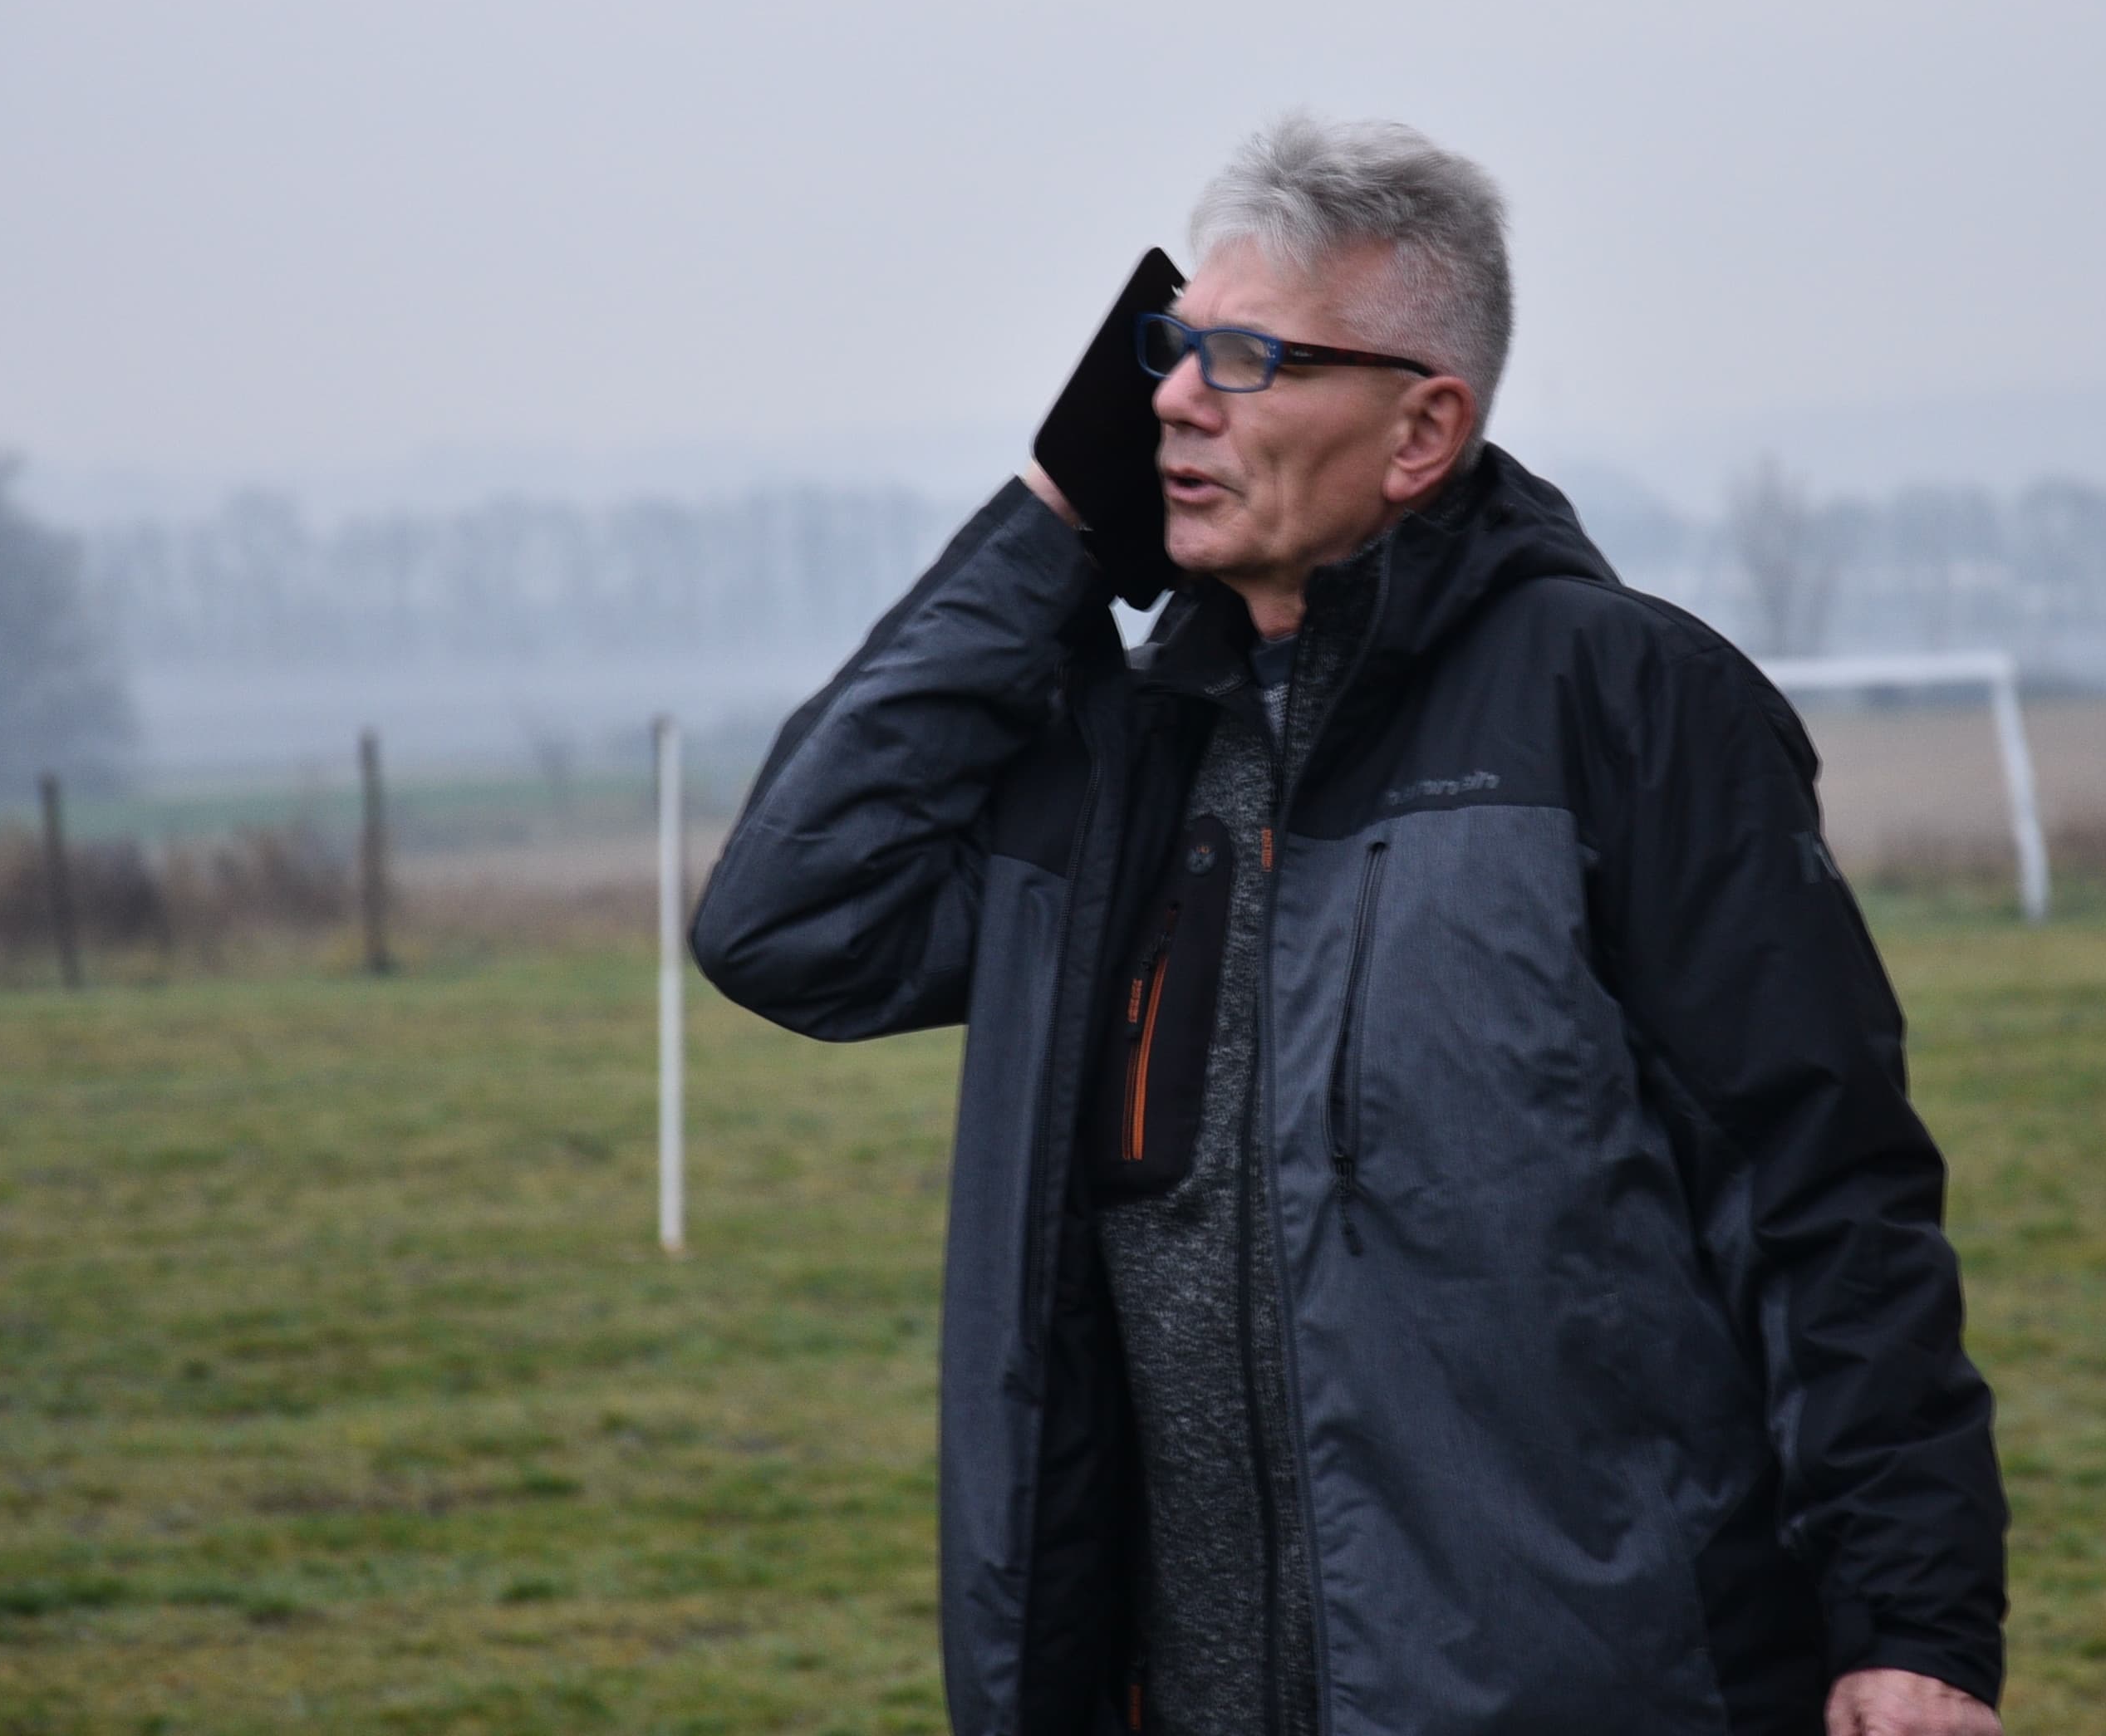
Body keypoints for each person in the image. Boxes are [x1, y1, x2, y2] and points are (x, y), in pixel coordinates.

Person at [694, 115, 2007, 1736]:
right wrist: (1049, 524)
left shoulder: (1625, 703)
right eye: (1167, 350)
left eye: (1245, 359)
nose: (1174, 400)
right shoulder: (1122, 764)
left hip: (1587, 1690)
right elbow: (788, 920)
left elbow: (1823, 1191)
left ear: (1421, 429)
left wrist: (1914, 1623)